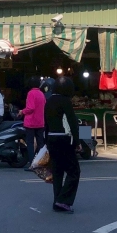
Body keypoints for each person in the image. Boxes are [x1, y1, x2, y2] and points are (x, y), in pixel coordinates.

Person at [44, 77, 80, 213]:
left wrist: (45, 141)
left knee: (57, 172)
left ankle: (57, 201)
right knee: (74, 171)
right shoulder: (65, 101)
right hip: (64, 139)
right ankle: (63, 201)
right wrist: (77, 142)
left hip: (51, 139)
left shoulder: (49, 101)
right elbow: (72, 123)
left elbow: (46, 123)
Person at [21, 76, 46, 169]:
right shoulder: (41, 93)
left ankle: (32, 164)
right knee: (40, 144)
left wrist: (22, 111)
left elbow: (30, 108)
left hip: (31, 122)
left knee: (30, 144)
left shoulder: (31, 93)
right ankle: (41, 162)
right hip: (40, 121)